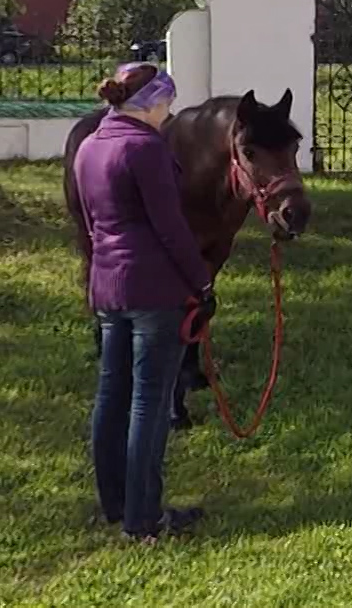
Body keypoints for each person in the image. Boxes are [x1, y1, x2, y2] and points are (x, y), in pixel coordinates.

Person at [73, 62, 210, 542]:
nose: (167, 114)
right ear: (151, 102)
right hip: (155, 288)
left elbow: (91, 225)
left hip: (108, 286)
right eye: (166, 104)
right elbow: (170, 228)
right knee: (149, 403)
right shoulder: (146, 148)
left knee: (112, 395)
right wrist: (202, 284)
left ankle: (115, 504)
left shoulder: (89, 146)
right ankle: (144, 518)